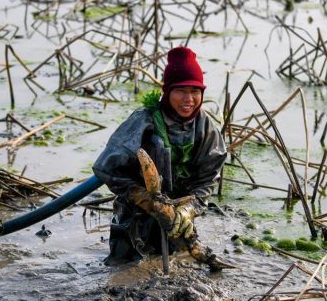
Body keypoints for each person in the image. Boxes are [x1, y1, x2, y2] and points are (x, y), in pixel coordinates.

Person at [93, 46, 227, 265]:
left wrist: (188, 210)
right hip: (134, 219)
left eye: (195, 91)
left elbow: (207, 179)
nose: (189, 99)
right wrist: (146, 200)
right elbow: (105, 168)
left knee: (177, 266)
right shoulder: (143, 121)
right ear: (167, 91)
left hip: (178, 221)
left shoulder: (206, 128)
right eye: (181, 91)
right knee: (123, 271)